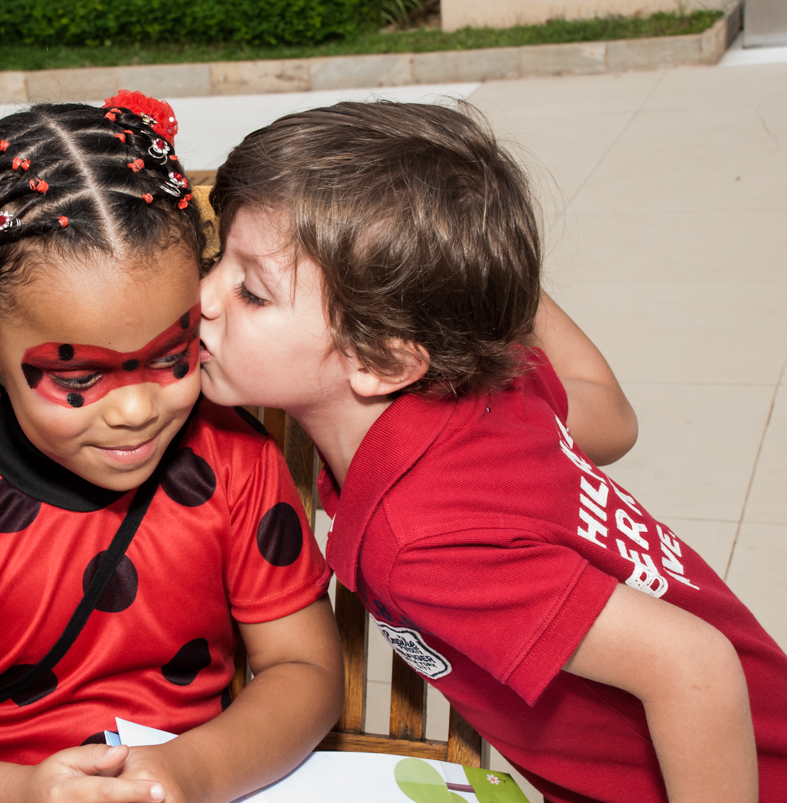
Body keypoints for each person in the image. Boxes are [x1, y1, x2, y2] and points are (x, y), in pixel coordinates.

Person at [197, 100, 787, 803]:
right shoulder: (480, 386)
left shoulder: (422, 538)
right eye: (217, 261)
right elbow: (612, 414)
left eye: (252, 292)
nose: (202, 296)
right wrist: (466, 266)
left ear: (384, 360)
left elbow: (696, 666)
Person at [0, 93, 344, 803]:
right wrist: (21, 794)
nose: (139, 408)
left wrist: (190, 772)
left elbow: (307, 670)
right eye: (81, 375)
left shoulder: (235, 462)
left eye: (171, 354)